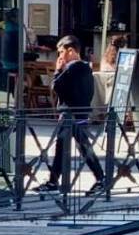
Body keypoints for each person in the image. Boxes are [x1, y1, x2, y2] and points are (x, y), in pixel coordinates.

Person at [39, 35, 105, 195]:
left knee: (81, 147)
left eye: (61, 52)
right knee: (65, 147)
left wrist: (57, 70)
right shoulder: (85, 68)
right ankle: (54, 181)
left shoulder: (72, 68)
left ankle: (101, 179)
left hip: (71, 114)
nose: (59, 56)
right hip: (78, 113)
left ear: (71, 51)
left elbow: (56, 86)